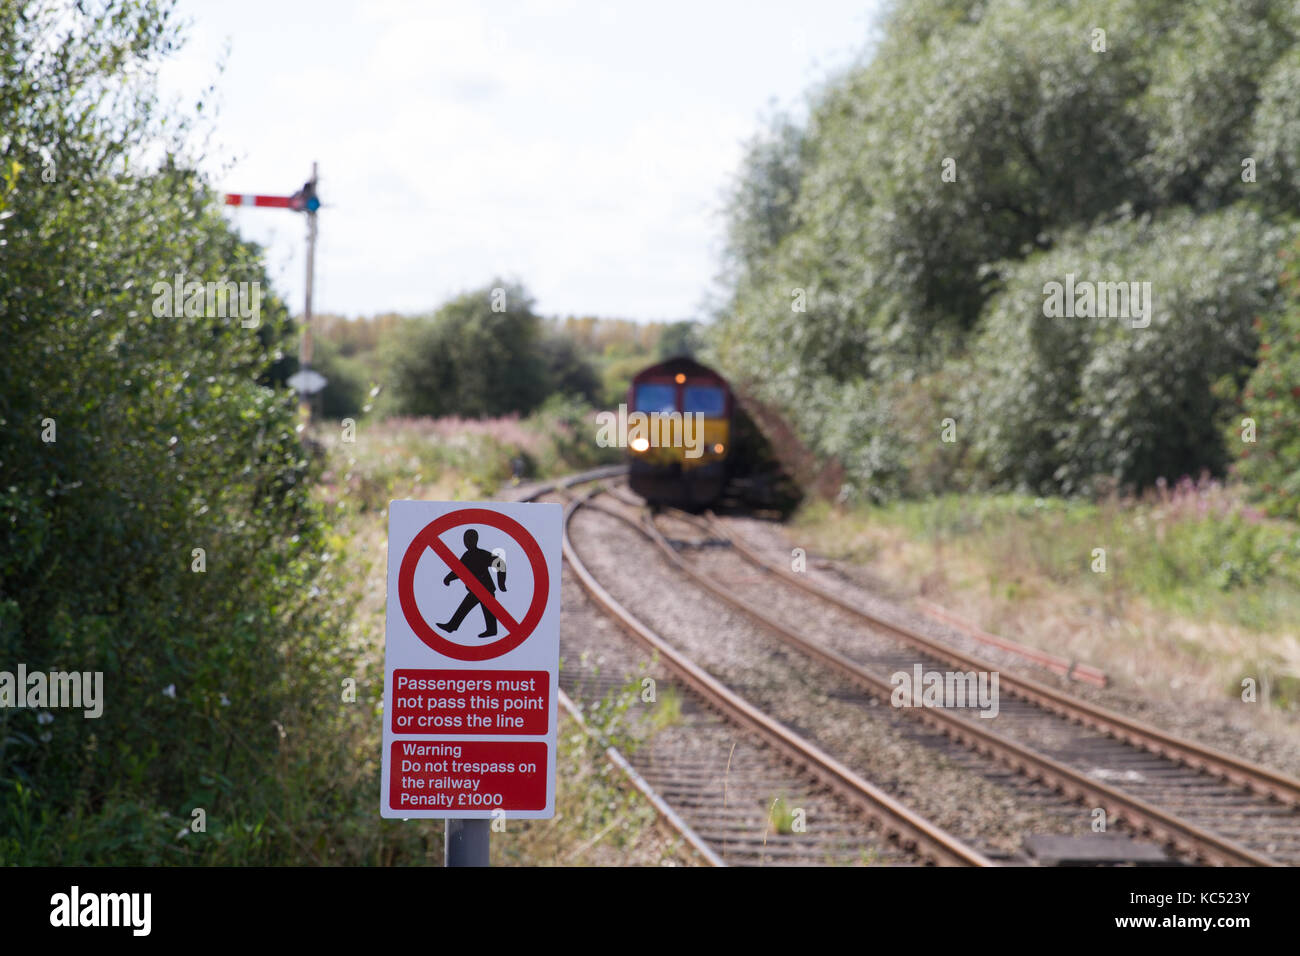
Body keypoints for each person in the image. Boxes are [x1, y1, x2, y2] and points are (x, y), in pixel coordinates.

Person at [435, 529, 507, 638]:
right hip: (476, 589)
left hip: (485, 588)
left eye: (469, 539)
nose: (467, 542)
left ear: (475, 540)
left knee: (475, 608)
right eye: (465, 539)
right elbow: (458, 570)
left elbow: (500, 563)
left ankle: (453, 626)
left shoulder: (481, 554)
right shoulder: (467, 556)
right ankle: (453, 626)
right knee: (481, 609)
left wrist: (501, 583)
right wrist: (448, 578)